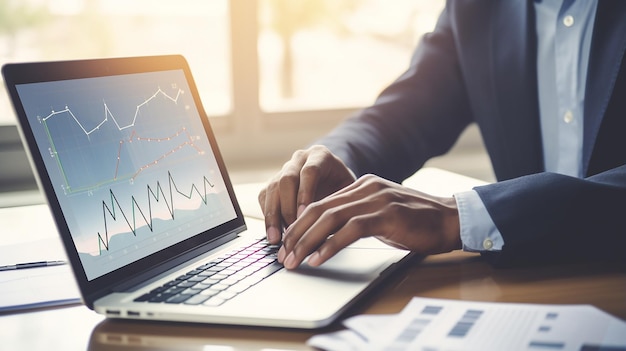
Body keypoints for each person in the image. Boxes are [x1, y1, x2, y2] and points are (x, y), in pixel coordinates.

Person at [258, 0, 626, 269]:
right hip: (529, 283)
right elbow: (405, 112)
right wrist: (332, 159)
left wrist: (457, 217)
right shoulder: (480, 9)